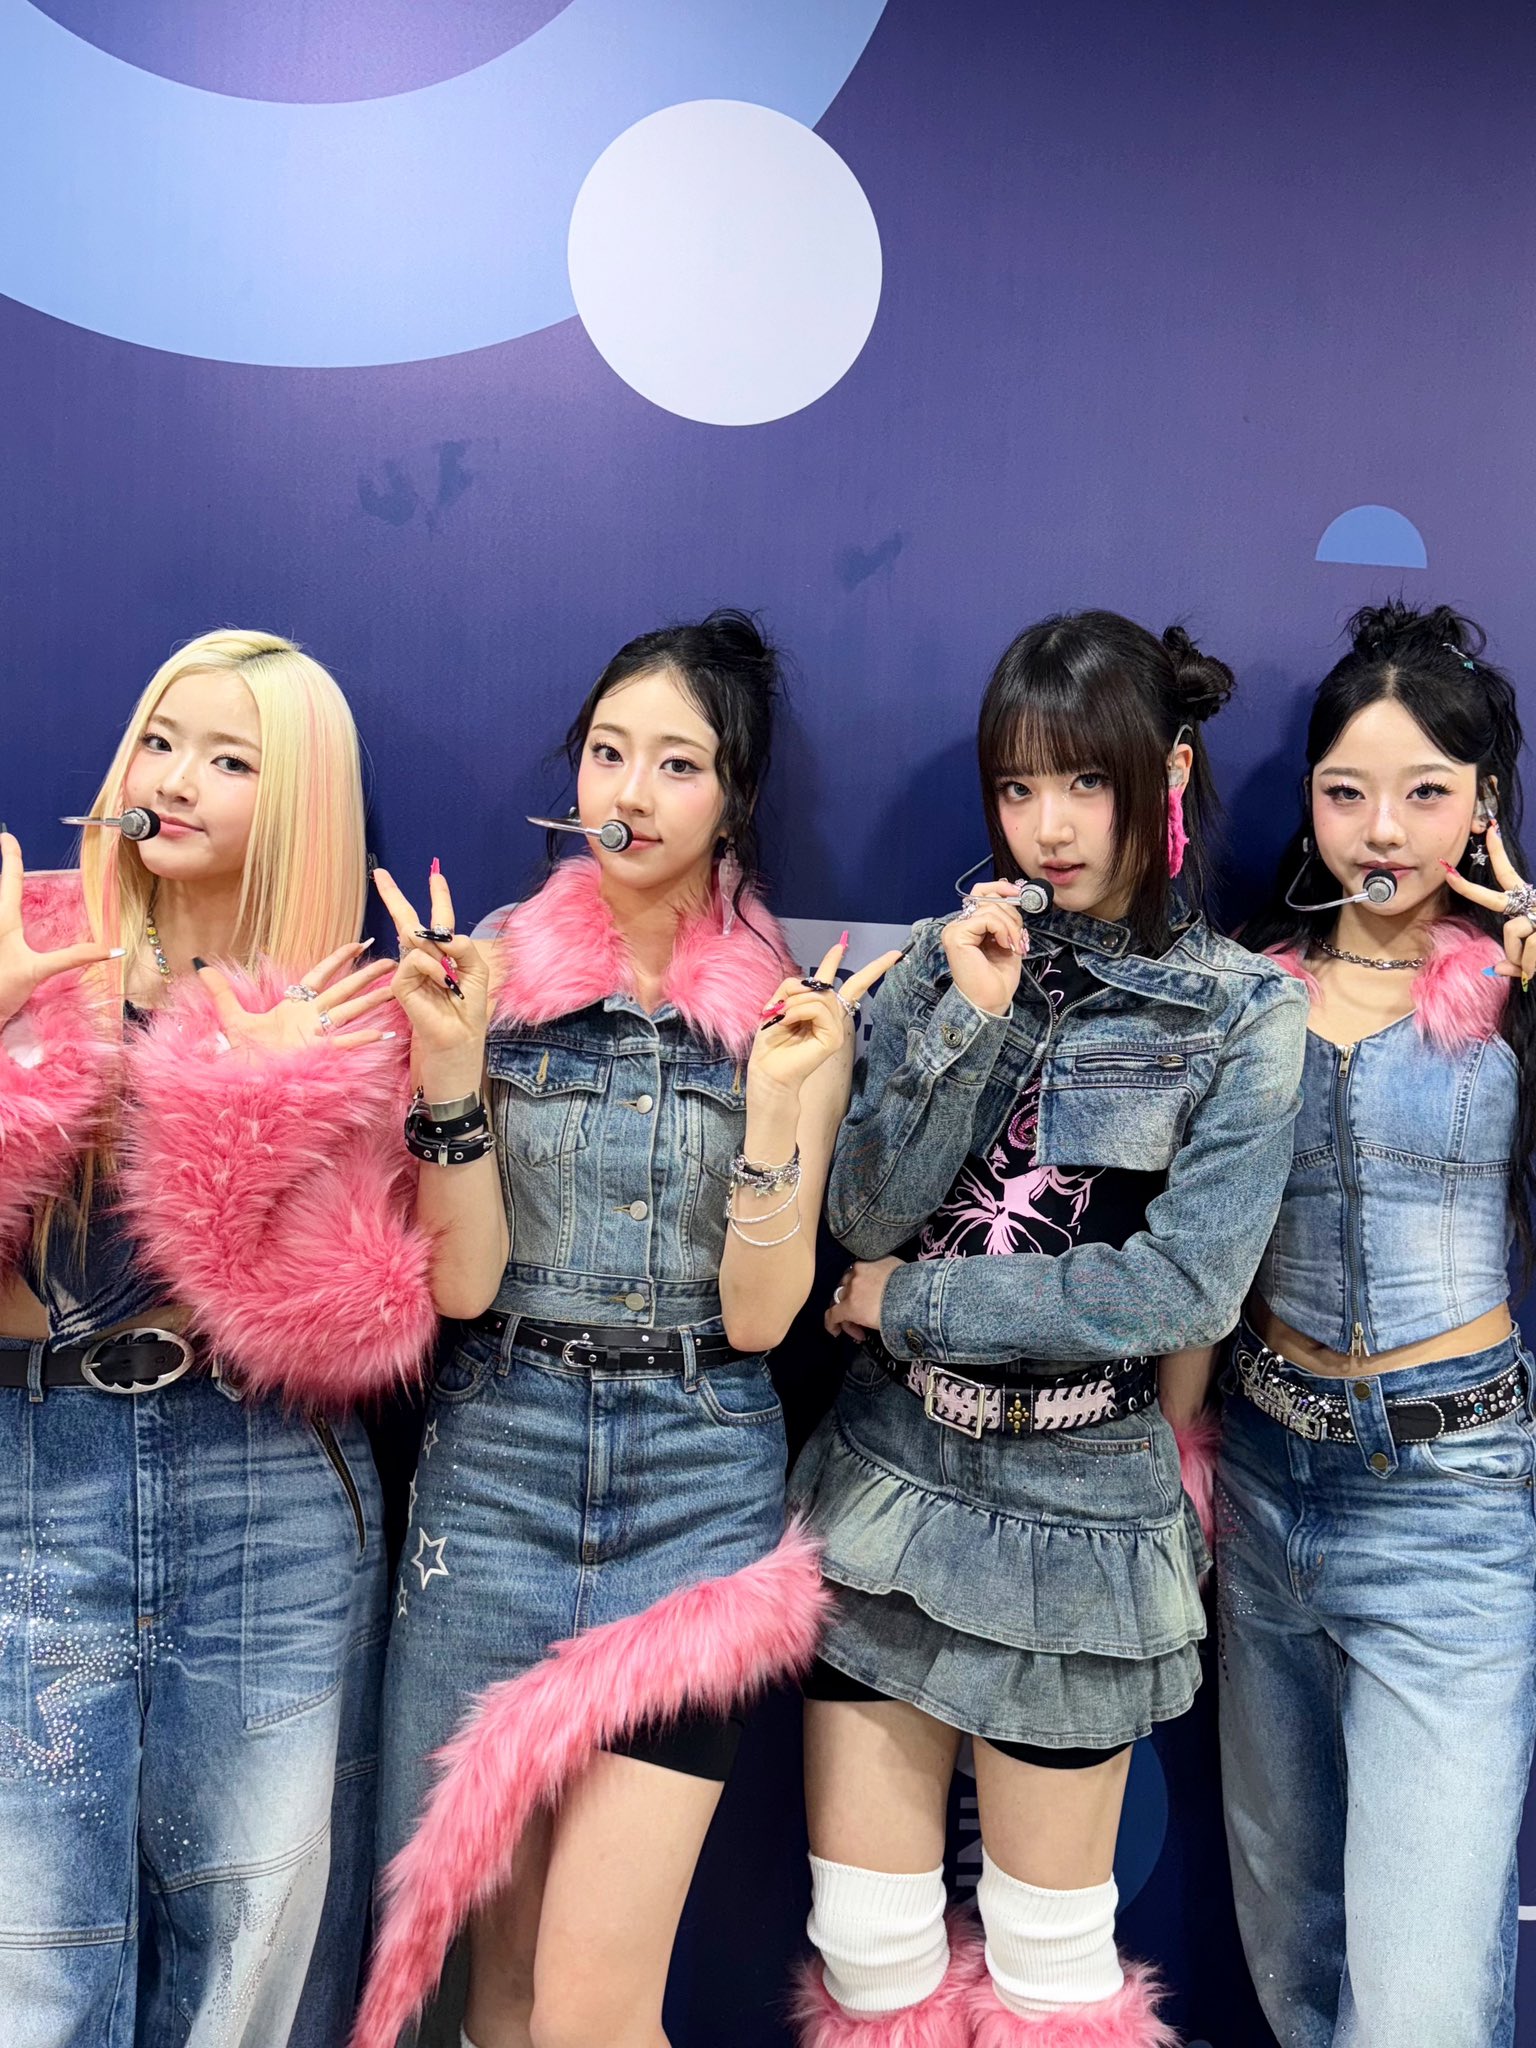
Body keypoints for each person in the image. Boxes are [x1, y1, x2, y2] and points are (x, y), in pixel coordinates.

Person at [355, 610, 898, 2048]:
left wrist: (779, 1108)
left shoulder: (790, 1014)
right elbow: (462, 1287)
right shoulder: (490, 975)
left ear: (734, 796)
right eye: (608, 753)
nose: (631, 794)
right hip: (498, 1467)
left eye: (677, 763)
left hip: (694, 1480)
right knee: (498, 1999)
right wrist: (451, 1069)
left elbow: (762, 1318)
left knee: (593, 2010)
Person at [789, 611, 1307, 2046]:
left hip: (1082, 1508)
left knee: (1052, 1967)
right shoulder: (952, 956)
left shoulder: (1243, 1012)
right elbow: (864, 1213)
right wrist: (966, 1016)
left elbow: (1182, 1288)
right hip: (889, 1479)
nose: (1050, 826)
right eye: (1018, 787)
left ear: (1169, 773)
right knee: (868, 1951)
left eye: (1086, 781)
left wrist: (914, 1303)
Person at [0, 630, 432, 2047]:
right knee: (28, 1955)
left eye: (231, 759)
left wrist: (245, 1106)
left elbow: (359, 1325)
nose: (175, 779)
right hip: (31, 1468)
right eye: (161, 739)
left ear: (296, 795)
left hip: (263, 1483)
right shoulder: (27, 936)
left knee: (251, 1948)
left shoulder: (340, 1006)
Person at [1221, 600, 1536, 2048]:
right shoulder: (1249, 990)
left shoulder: (1516, 991)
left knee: (1414, 2011)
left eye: (1425, 791)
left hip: (1449, 1509)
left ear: (1485, 802)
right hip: (1262, 1491)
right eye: (1347, 792)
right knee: (1295, 1968)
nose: (1384, 830)